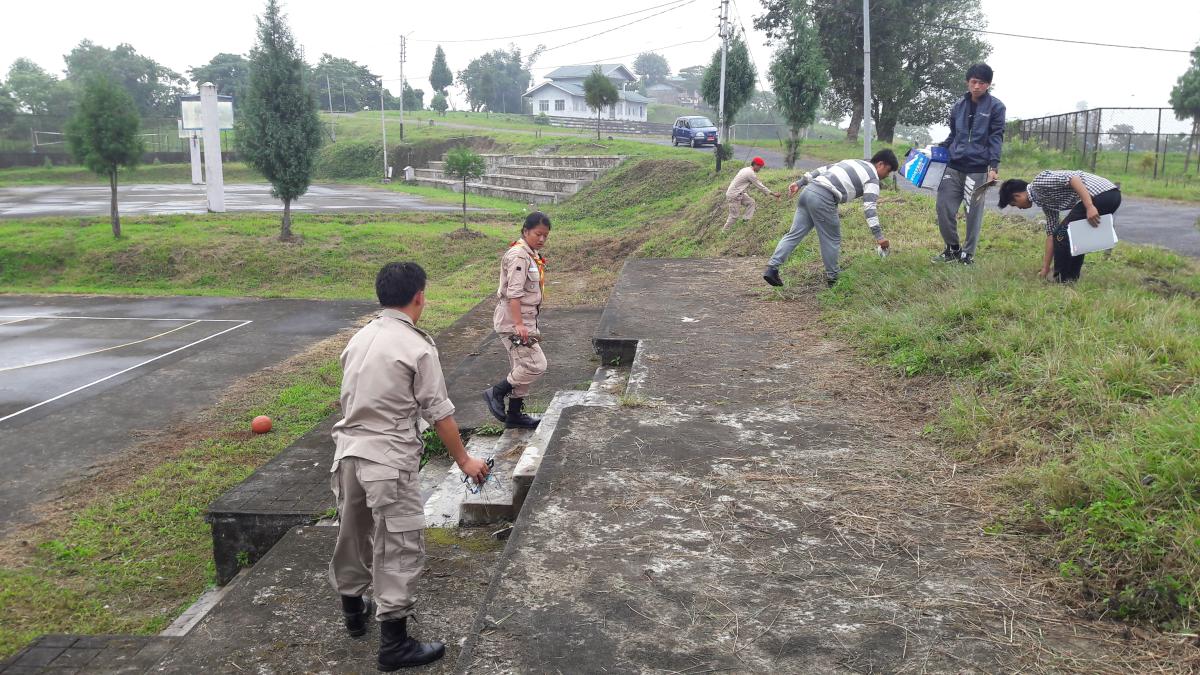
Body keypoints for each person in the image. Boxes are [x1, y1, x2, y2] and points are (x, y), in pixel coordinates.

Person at [328, 262, 491, 671]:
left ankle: (353, 613)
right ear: (420, 295)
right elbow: (440, 413)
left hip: (347, 453)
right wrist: (465, 460)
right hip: (388, 460)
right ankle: (394, 644)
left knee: (353, 534)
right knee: (398, 545)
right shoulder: (416, 345)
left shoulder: (360, 337)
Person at [763, 149, 898, 288]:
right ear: (881, 164)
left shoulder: (852, 161)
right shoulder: (872, 178)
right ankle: (833, 279)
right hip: (824, 198)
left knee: (794, 234)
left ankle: (772, 268)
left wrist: (800, 182)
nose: (886, 175)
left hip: (808, 191)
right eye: (888, 171)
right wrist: (880, 237)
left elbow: (823, 169)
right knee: (831, 239)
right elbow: (870, 207)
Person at [483, 212, 551, 429]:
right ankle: (497, 391)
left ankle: (514, 414)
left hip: (526, 319)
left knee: (521, 365)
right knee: (536, 364)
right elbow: (514, 294)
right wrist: (519, 324)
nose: (541, 240)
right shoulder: (519, 256)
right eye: (538, 234)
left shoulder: (531, 255)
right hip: (514, 321)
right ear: (525, 231)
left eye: (545, 236)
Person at [933, 63, 1006, 265]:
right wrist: (937, 149)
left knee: (972, 212)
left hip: (977, 169)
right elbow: (954, 135)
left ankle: (967, 253)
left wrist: (993, 167)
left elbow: (996, 137)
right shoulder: (958, 106)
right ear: (968, 82)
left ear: (988, 85)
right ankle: (952, 248)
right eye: (973, 82)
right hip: (954, 166)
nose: (976, 86)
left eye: (981, 83)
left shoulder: (996, 107)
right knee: (943, 207)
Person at [998, 170, 1121, 282]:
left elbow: (1073, 178)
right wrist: (1045, 268)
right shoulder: (1046, 203)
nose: (1019, 208)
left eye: (1015, 204)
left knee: (1061, 235)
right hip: (1112, 196)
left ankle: (1060, 279)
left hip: (1102, 194)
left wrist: (1089, 206)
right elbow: (1051, 235)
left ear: (1017, 196)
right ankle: (1071, 279)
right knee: (1073, 236)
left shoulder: (1039, 182)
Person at [723, 156, 781, 230]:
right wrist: (773, 194)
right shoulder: (750, 173)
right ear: (755, 165)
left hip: (739, 193)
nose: (760, 169)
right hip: (734, 195)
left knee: (751, 202)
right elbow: (760, 186)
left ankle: (745, 221)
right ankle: (724, 232)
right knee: (734, 216)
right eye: (760, 167)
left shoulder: (745, 169)